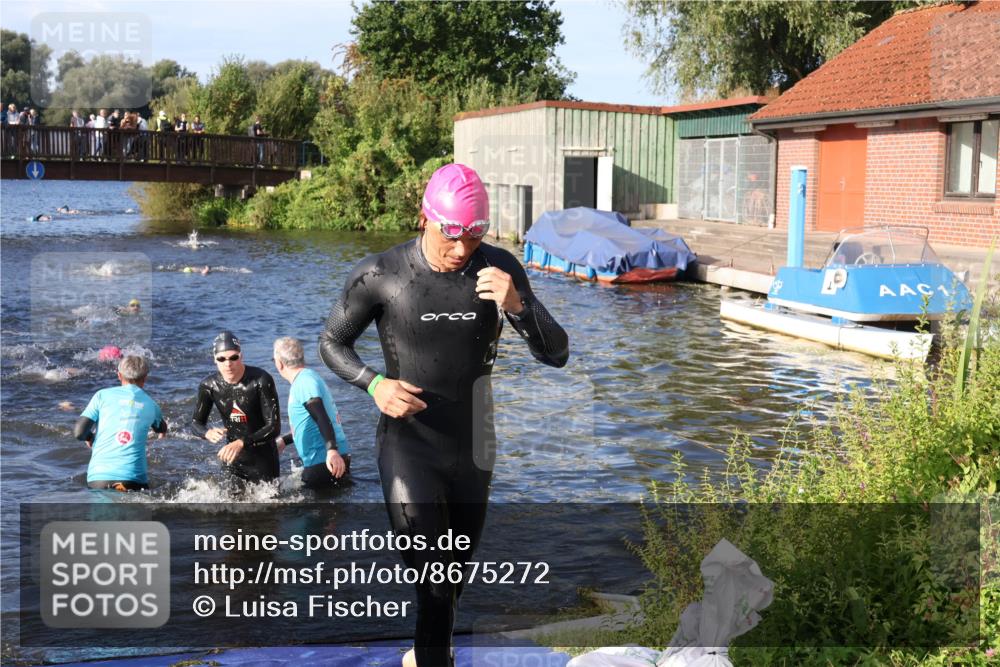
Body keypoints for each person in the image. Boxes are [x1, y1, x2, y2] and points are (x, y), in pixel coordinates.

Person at [319, 163, 568, 666]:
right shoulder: (380, 274)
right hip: (409, 443)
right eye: (450, 238)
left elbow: (557, 352)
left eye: (473, 239)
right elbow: (331, 342)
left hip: (474, 442)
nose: (461, 251)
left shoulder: (498, 268)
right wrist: (375, 384)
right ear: (424, 218)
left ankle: (427, 654)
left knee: (452, 577)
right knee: (432, 578)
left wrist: (518, 306)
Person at [191, 331, 281, 484]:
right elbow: (195, 423)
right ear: (215, 360)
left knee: (269, 505)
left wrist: (242, 442)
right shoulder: (209, 385)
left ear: (241, 356)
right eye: (222, 359)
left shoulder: (261, 380)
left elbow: (274, 427)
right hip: (232, 457)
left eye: (233, 357)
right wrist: (206, 433)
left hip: (263, 458)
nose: (228, 363)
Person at [73, 355, 168, 491]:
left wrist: (90, 437)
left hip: (99, 477)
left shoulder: (101, 396)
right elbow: (161, 428)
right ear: (145, 378)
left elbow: (79, 432)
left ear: (119, 375)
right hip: (133, 478)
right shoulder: (151, 405)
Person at [272, 337, 350, 491]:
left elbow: (320, 416)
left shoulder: (304, 382)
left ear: (279, 363)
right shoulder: (307, 378)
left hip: (325, 461)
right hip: (328, 460)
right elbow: (310, 421)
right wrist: (284, 440)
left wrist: (332, 451)